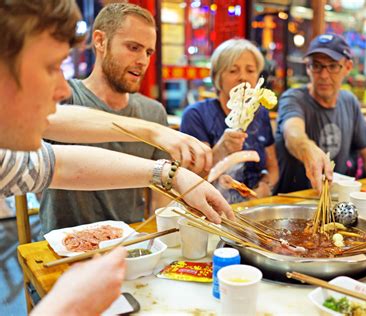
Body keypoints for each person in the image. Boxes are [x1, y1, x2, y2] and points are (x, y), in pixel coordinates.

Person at [0, 1, 232, 314]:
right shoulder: (70, 97)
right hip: (67, 261)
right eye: (50, 67)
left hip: (127, 257)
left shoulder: (11, 161)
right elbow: (60, 122)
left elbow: (61, 163)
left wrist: (172, 172)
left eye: (148, 52)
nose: (59, 90)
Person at [40, 3, 210, 233]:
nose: (143, 60)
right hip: (64, 244)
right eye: (133, 47)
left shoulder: (153, 112)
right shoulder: (65, 95)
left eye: (148, 52)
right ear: (99, 41)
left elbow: (160, 198)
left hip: (131, 242)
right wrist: (151, 131)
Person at [275, 33, 366, 194]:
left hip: (336, 199)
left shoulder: (349, 101)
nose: (324, 75)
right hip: (294, 199)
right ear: (307, 67)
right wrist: (309, 150)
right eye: (316, 66)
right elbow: (293, 133)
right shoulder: (293, 98)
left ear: (347, 67)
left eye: (332, 66)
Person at [180, 39, 279, 203]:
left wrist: (265, 187)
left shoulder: (260, 114)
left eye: (250, 70)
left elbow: (273, 167)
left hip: (255, 204)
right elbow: (193, 177)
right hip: (212, 206)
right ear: (217, 77)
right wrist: (221, 149)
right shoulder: (196, 115)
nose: (243, 78)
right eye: (233, 71)